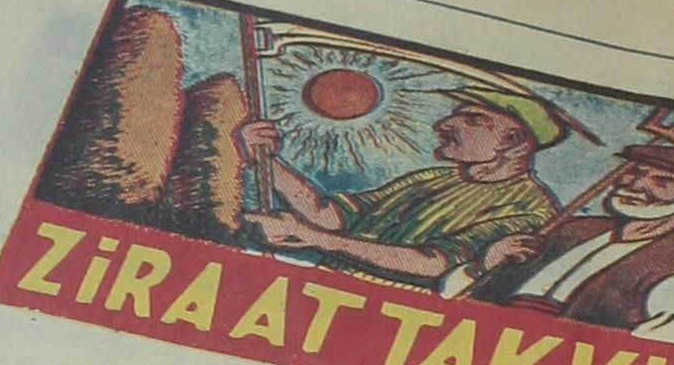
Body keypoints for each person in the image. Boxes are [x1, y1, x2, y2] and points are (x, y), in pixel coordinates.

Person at [238, 85, 568, 290]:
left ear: (511, 140)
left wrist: (314, 239)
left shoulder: (532, 211)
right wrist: (266, 161)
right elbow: (331, 216)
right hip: (324, 290)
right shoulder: (432, 178)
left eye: (472, 120)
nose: (444, 125)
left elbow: (433, 263)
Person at [487, 134, 674, 347]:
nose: (636, 185)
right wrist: (484, 265)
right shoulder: (574, 230)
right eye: (635, 172)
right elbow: (477, 291)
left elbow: (660, 357)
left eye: (664, 183)